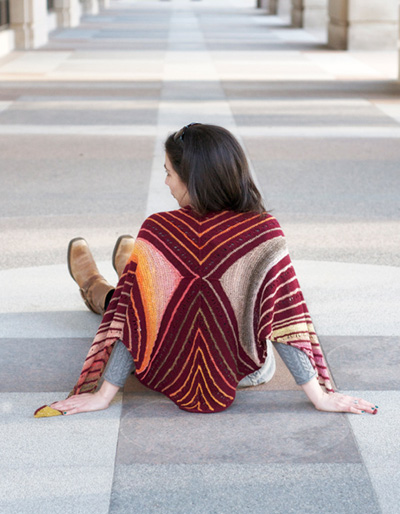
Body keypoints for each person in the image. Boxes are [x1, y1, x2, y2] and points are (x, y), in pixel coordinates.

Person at [37, 123, 377, 418]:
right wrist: (318, 396)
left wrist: (104, 394)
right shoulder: (265, 233)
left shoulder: (158, 230)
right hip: (246, 374)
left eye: (169, 172)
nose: (166, 181)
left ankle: (96, 280)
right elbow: (282, 320)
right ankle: (123, 266)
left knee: (130, 291)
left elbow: (132, 318)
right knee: (144, 281)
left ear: (193, 179)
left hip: (164, 368)